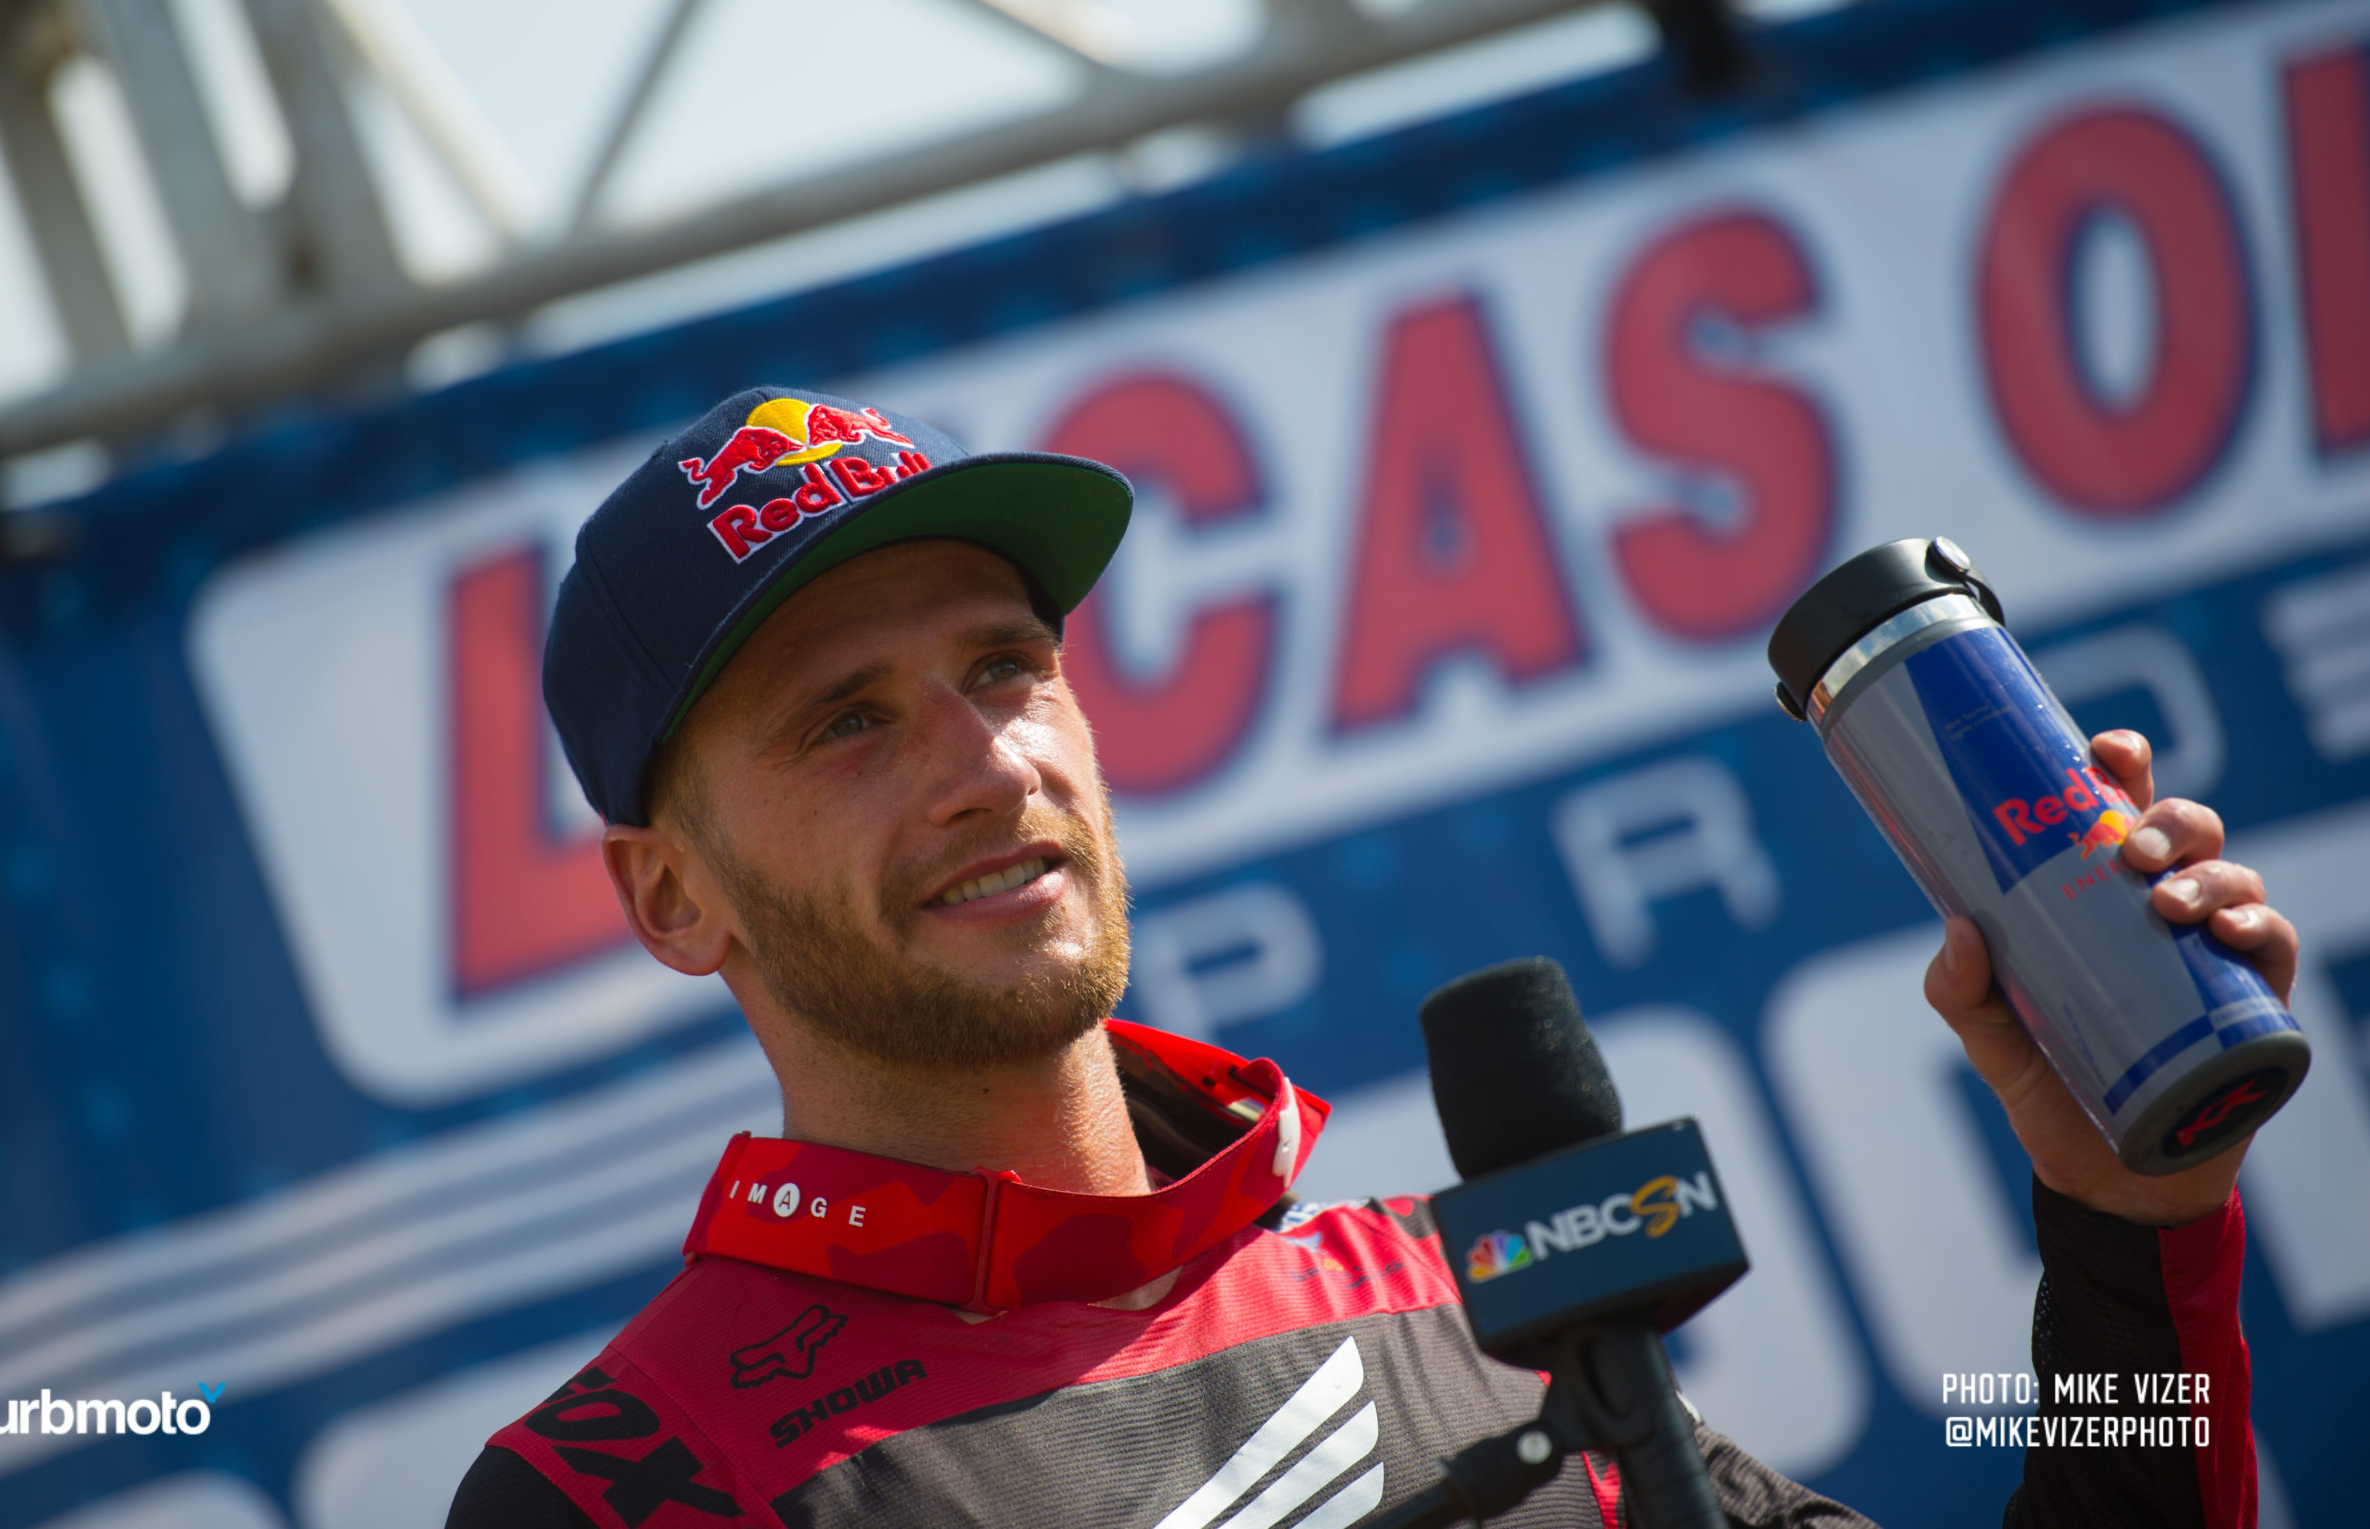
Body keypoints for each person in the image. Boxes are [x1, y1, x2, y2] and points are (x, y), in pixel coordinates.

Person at [447, 388, 2297, 1529]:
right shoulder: (623, 1486)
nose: (987, 761)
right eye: (849, 720)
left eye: (1007, 665)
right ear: (672, 899)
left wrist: (2131, 1228)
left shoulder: (1459, 1289)